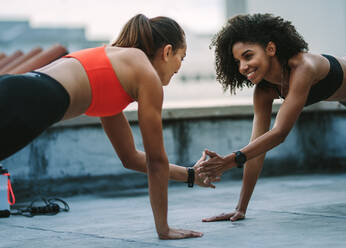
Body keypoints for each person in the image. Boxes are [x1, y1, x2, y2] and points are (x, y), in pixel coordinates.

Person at [0, 14, 216, 239]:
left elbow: (130, 157)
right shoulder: (147, 76)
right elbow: (156, 161)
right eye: (182, 57)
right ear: (167, 51)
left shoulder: (115, 69)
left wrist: (191, 175)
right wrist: (164, 229)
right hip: (25, 101)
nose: (180, 67)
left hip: (15, 90)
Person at [196, 13, 346, 222]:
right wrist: (240, 208)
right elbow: (256, 149)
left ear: (270, 48)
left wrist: (230, 160)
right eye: (237, 62)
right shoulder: (263, 92)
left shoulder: (303, 67)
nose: (243, 67)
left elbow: (280, 132)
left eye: (248, 56)